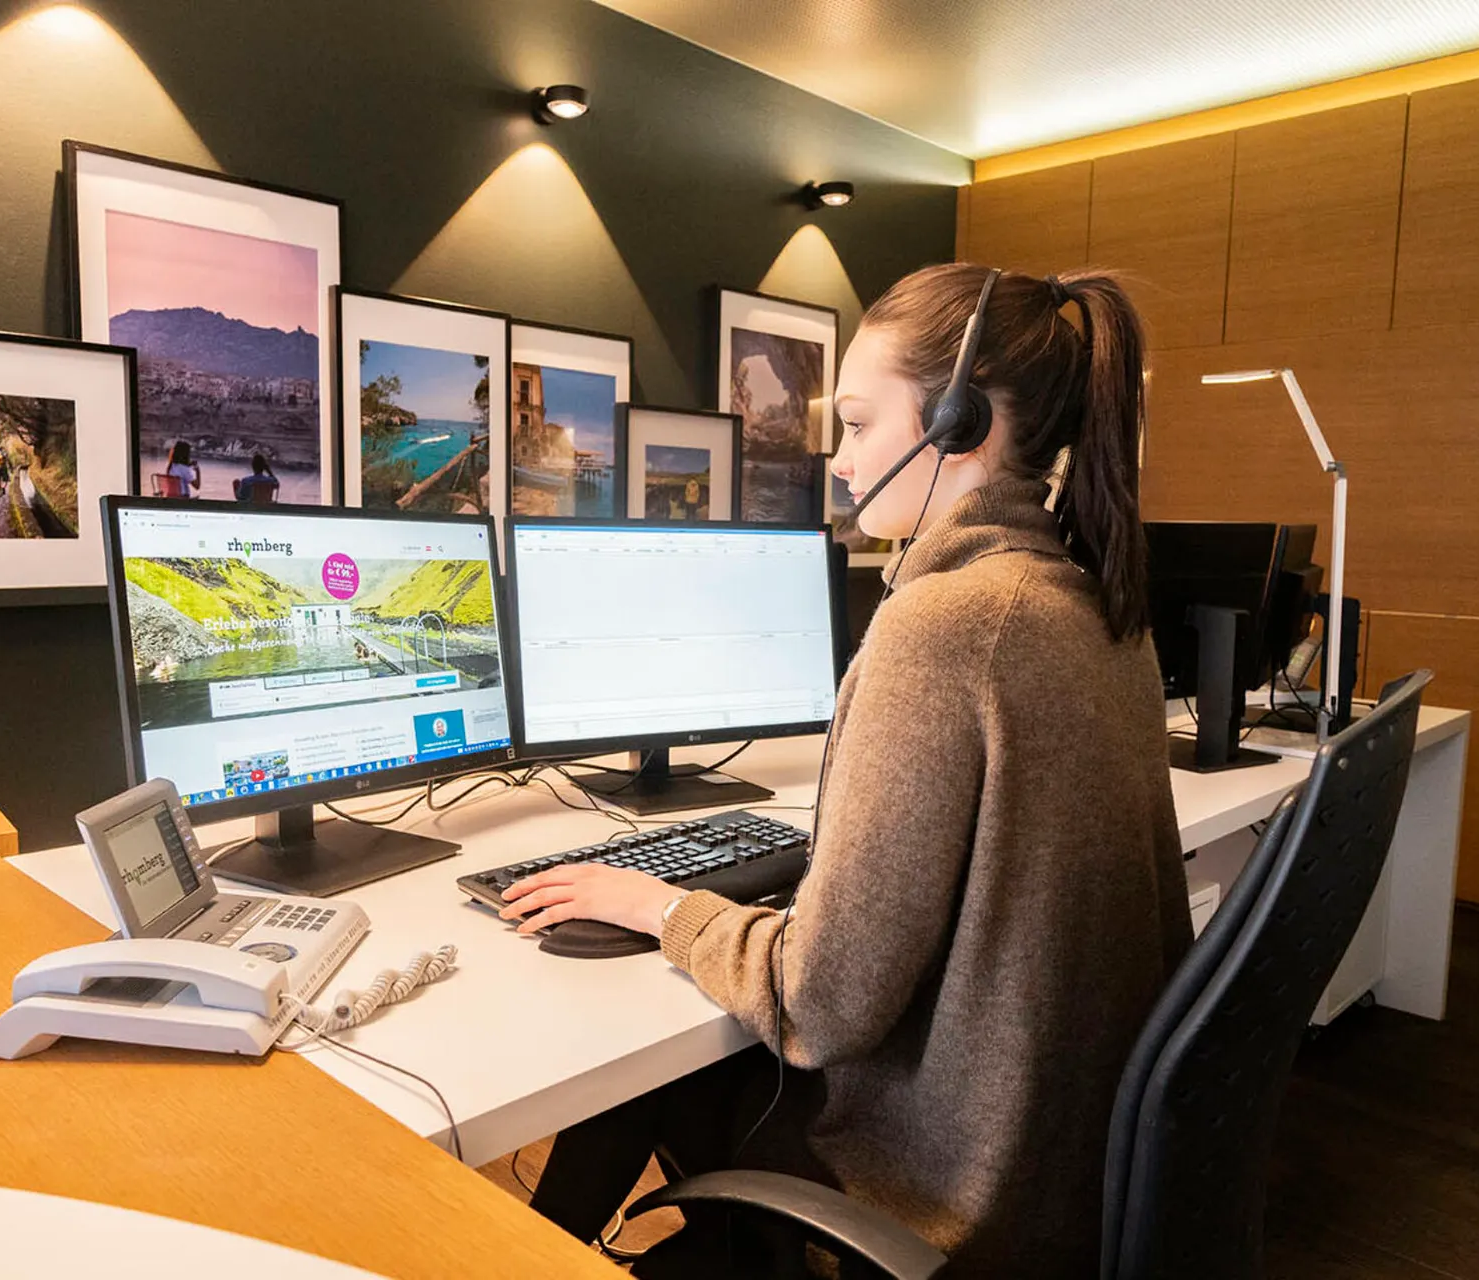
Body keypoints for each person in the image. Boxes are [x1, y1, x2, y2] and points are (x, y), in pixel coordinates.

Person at [499, 264, 1193, 1278]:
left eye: (861, 424)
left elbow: (821, 1004)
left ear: (959, 423)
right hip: (1061, 1171)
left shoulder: (945, 624)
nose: (840, 460)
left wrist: (658, 905)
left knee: (638, 1074)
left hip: (943, 1189)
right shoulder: (1094, 601)